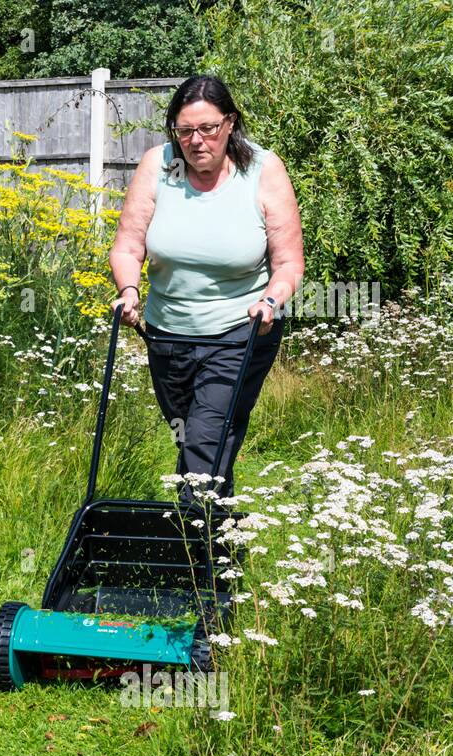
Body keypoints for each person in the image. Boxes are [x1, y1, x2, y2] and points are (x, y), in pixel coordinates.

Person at [109, 74, 304, 512]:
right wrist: (129, 289)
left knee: (205, 437)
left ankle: (195, 550)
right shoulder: (157, 166)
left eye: (207, 129)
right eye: (184, 131)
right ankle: (221, 541)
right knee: (196, 434)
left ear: (230, 123)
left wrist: (272, 299)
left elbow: (289, 262)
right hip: (166, 333)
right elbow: (127, 245)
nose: (196, 141)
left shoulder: (262, 169)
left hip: (242, 330)